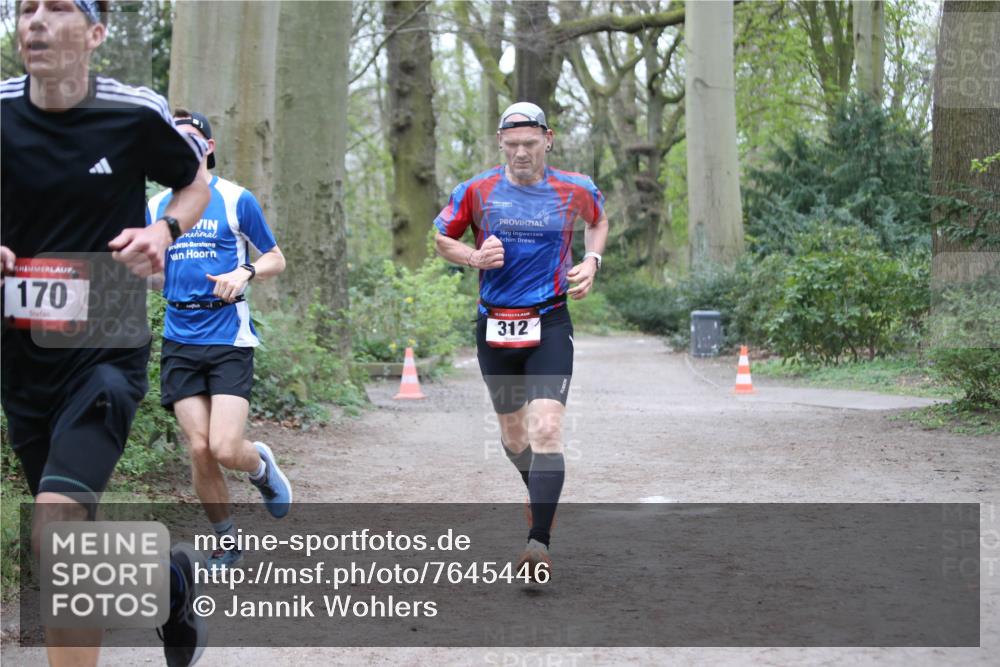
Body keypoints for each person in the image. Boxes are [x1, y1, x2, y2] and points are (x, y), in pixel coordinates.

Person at [1, 1, 210, 665]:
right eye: (25, 8)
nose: (35, 20)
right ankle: (169, 582)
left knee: (57, 528)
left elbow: (194, 182)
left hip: (105, 350)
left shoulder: (132, 113)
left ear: (95, 34)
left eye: (57, 7)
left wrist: (163, 230)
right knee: (68, 538)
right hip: (22, 358)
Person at [433, 102, 609, 581]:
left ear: (548, 139)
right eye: (511, 145)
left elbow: (598, 220)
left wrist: (592, 260)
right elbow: (442, 238)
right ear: (500, 143)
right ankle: (540, 493)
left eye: (530, 143)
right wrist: (472, 256)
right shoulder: (476, 190)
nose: (521, 153)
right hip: (496, 327)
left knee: (546, 430)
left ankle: (538, 543)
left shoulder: (574, 188)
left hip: (549, 323)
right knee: (514, 438)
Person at [147, 108, 292, 572]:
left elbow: (275, 257)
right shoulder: (155, 206)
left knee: (226, 448)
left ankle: (261, 467)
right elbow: (151, 273)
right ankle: (227, 542)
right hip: (179, 336)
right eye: (173, 138)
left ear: (208, 147)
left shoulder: (234, 198)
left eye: (190, 137)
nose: (182, 145)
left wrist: (244, 271)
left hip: (228, 334)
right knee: (198, 448)